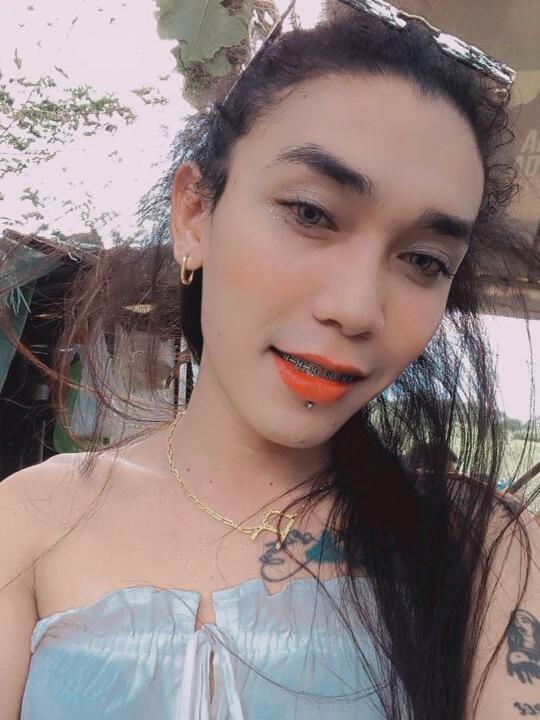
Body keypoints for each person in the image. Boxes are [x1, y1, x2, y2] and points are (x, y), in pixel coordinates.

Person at [1, 1, 539, 719]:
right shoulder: (31, 522)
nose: (357, 308)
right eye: (311, 213)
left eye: (424, 260)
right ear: (195, 214)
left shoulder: (486, 549)